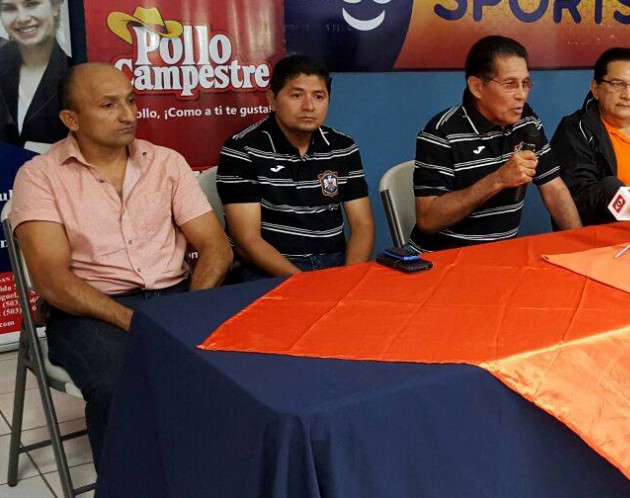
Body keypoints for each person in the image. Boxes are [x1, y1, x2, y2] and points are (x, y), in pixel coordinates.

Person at [8, 63, 232, 467]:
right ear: (71, 119)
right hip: (89, 309)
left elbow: (215, 246)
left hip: (175, 298)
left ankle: (211, 471)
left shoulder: (166, 163)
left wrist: (189, 312)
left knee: (235, 369)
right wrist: (135, 322)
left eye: (130, 101)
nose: (128, 115)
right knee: (120, 385)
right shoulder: (40, 177)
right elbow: (52, 280)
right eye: (108, 105)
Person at [409, 35, 581, 252]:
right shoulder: (441, 133)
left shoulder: (526, 122)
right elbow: (427, 220)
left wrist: (580, 247)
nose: (521, 95)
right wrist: (498, 180)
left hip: (500, 256)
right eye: (510, 84)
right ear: (477, 87)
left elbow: (554, 188)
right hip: (443, 258)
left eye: (525, 84)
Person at [217, 55, 374, 279]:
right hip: (268, 268)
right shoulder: (242, 149)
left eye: (318, 96)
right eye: (296, 95)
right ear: (272, 100)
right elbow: (247, 241)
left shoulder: (343, 147)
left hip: (334, 263)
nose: (309, 106)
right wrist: (304, 283)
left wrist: (349, 277)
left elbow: (362, 226)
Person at [551, 47, 630, 226]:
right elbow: (583, 196)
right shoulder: (576, 130)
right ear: (595, 88)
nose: (627, 95)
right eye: (617, 84)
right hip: (614, 233)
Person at [0, 0, 69, 147]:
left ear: (55, 7)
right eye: (9, 8)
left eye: (31, 4)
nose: (22, 18)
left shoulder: (76, 73)